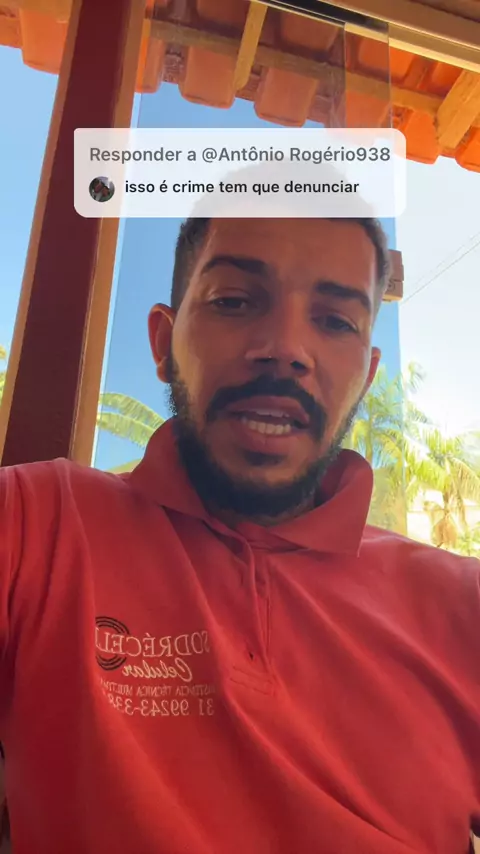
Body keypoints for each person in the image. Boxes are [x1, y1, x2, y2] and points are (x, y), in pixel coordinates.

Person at [0, 211, 479, 854]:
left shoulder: (460, 602)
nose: (285, 347)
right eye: (233, 301)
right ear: (164, 344)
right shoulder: (36, 521)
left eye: (336, 320)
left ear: (365, 377)